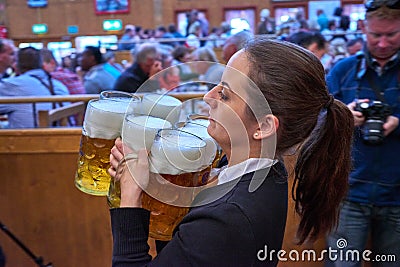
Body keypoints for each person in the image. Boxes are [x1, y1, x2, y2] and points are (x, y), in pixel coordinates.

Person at [108, 37, 354, 266]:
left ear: (263, 126)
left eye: (224, 94)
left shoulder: (226, 219)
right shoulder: (266, 170)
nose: (208, 96)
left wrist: (130, 197)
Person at [326, 0, 400, 266]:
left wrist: (397, 122)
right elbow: (316, 121)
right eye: (375, 35)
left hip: (396, 197)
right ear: (363, 30)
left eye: (391, 34)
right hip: (349, 194)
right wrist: (343, 116)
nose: (382, 43)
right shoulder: (344, 71)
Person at [0, 47, 70, 128]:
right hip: (63, 137)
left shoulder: (11, 85)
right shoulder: (59, 85)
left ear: (16, 65)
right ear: (41, 64)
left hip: (30, 139)